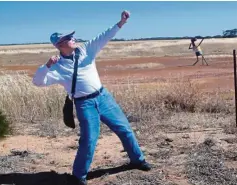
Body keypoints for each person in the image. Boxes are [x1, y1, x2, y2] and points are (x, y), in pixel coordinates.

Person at [32, 10, 151, 185]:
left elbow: (104, 36)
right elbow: (38, 82)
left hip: (104, 98)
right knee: (89, 140)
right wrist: (47, 66)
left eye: (73, 36)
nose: (74, 39)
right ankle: (78, 176)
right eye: (69, 38)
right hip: (84, 104)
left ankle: (137, 160)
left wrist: (121, 23)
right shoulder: (57, 67)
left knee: (125, 129)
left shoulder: (86, 50)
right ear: (60, 44)